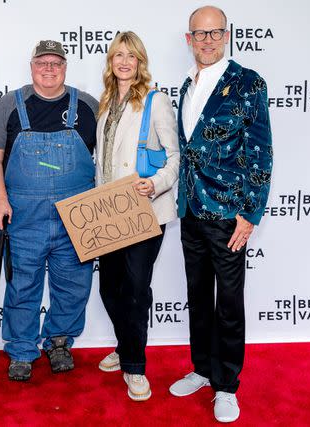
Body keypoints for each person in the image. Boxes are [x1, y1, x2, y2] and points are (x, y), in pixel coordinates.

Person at [169, 6, 273, 423]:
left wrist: (251, 212)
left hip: (229, 213)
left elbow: (260, 151)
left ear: (227, 35)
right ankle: (202, 368)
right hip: (191, 209)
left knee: (229, 301)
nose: (208, 40)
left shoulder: (247, 82)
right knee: (197, 295)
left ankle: (227, 385)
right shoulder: (186, 85)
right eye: (200, 33)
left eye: (216, 33)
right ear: (189, 39)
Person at [0, 40, 98, 382]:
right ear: (31, 66)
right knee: (22, 285)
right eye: (42, 62)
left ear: (65, 67)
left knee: (74, 284)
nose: (49, 69)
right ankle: (21, 349)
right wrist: (0, 199)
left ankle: (60, 342)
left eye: (56, 63)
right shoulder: (10, 106)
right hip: (24, 215)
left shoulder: (88, 106)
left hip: (75, 213)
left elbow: (106, 158)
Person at [94, 31, 179, 401]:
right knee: (109, 286)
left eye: (132, 56)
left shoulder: (155, 101)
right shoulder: (106, 100)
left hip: (145, 210)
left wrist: (156, 183)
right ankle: (125, 342)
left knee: (134, 289)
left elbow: (176, 156)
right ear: (111, 62)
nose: (125, 62)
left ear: (141, 62)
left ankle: (135, 365)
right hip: (109, 210)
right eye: (118, 55)